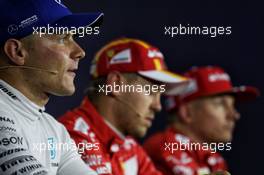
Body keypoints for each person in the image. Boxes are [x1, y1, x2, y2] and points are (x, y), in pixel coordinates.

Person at [0, 0, 103, 174]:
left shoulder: (54, 130)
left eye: (73, 37)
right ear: (17, 52)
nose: (80, 52)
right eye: (63, 38)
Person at [58, 37, 189, 175]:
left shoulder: (129, 146)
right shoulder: (72, 135)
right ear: (115, 84)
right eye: (150, 91)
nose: (158, 106)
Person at [143, 66, 260, 175]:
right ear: (187, 113)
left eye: (233, 105)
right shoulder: (165, 147)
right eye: (220, 104)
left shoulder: (214, 159)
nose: (234, 115)